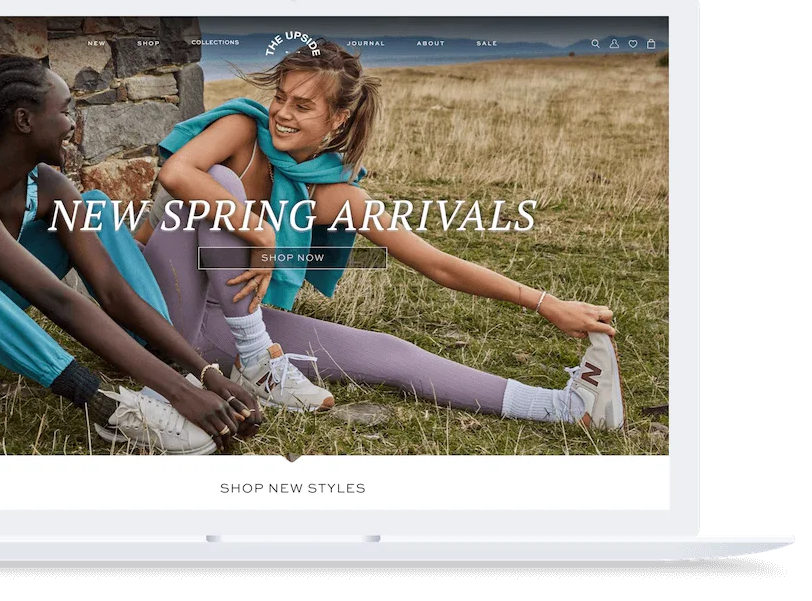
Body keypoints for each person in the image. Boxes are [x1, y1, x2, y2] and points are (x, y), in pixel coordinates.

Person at [131, 40, 626, 430]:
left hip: (215, 331)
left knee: (389, 352)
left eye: (303, 106)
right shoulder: (241, 131)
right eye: (280, 97)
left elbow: (437, 264)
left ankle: (563, 408)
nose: (282, 113)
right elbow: (177, 174)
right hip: (151, 309)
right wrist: (262, 233)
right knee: (217, 182)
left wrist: (545, 303)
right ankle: (254, 362)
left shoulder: (333, 197)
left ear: (337, 119)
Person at [0, 55, 264, 455]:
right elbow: (54, 297)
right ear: (24, 121)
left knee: (93, 209)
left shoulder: (46, 186)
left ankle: (168, 372)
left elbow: (113, 291)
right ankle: (108, 408)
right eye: (65, 111)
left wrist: (203, 374)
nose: (72, 124)